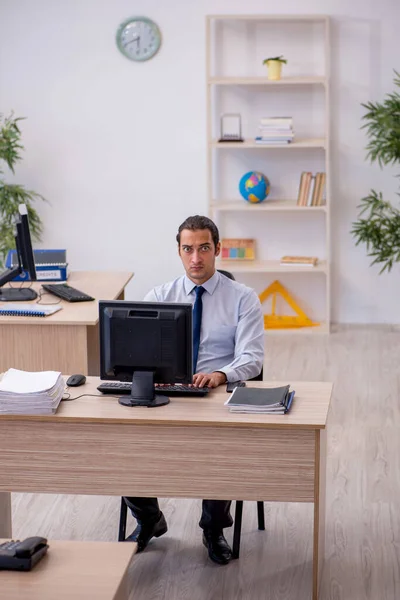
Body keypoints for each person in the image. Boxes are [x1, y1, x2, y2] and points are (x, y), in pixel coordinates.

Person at [124, 215, 264, 565]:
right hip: (168, 393)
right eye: (188, 249)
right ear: (179, 251)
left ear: (217, 249)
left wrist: (220, 374)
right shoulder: (160, 295)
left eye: (204, 248)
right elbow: (137, 351)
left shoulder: (243, 298)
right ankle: (148, 519)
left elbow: (253, 358)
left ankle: (213, 529)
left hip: (218, 395)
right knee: (122, 440)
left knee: (221, 448)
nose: (196, 258)